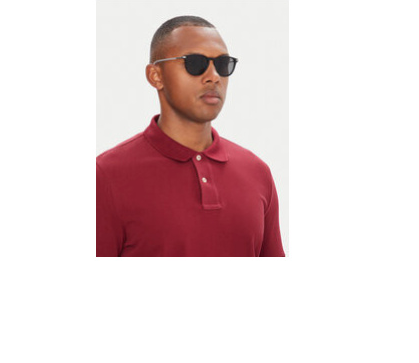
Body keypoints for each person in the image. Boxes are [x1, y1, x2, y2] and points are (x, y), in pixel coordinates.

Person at [96, 15, 285, 257]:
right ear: (156, 76)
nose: (213, 76)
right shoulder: (106, 176)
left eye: (223, 64)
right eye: (195, 63)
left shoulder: (257, 172)